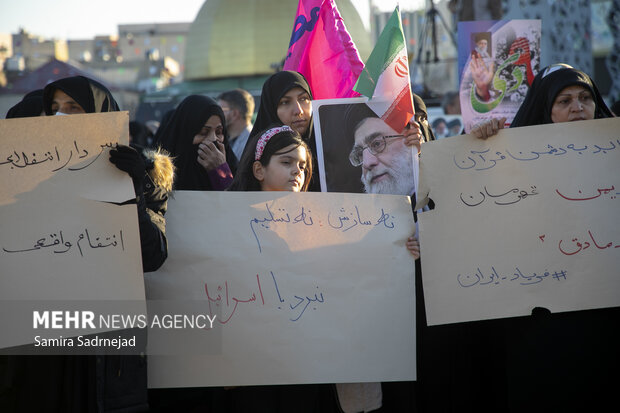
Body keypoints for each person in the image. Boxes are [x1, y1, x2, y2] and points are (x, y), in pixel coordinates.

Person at [1, 75, 173, 412]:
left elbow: (153, 255)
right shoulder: (23, 174)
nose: (61, 117)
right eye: (54, 109)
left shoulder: (137, 174)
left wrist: (132, 191)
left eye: (73, 108)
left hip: (103, 351)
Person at [462, 63, 618, 411]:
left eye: (585, 98)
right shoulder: (510, 158)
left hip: (604, 314)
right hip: (540, 323)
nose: (578, 108)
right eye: (564, 101)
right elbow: (473, 210)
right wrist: (484, 146)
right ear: (545, 109)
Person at [226, 125, 339, 412]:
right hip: (249, 362)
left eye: (302, 165)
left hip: (304, 361)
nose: (297, 172)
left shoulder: (323, 225)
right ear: (259, 170)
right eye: (286, 162)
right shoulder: (227, 224)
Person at [250, 70, 320, 191]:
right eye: (285, 102)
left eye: (303, 99)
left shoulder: (329, 153)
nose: (298, 110)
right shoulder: (258, 154)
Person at [157, 94, 237, 191]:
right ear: (185, 134)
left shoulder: (234, 169)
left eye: (218, 132)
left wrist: (221, 171)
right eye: (203, 132)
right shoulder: (158, 174)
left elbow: (236, 201)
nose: (213, 139)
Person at [217, 88, 255, 162]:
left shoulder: (250, 145)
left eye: (220, 110)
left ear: (234, 114)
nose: (217, 114)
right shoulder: (228, 139)